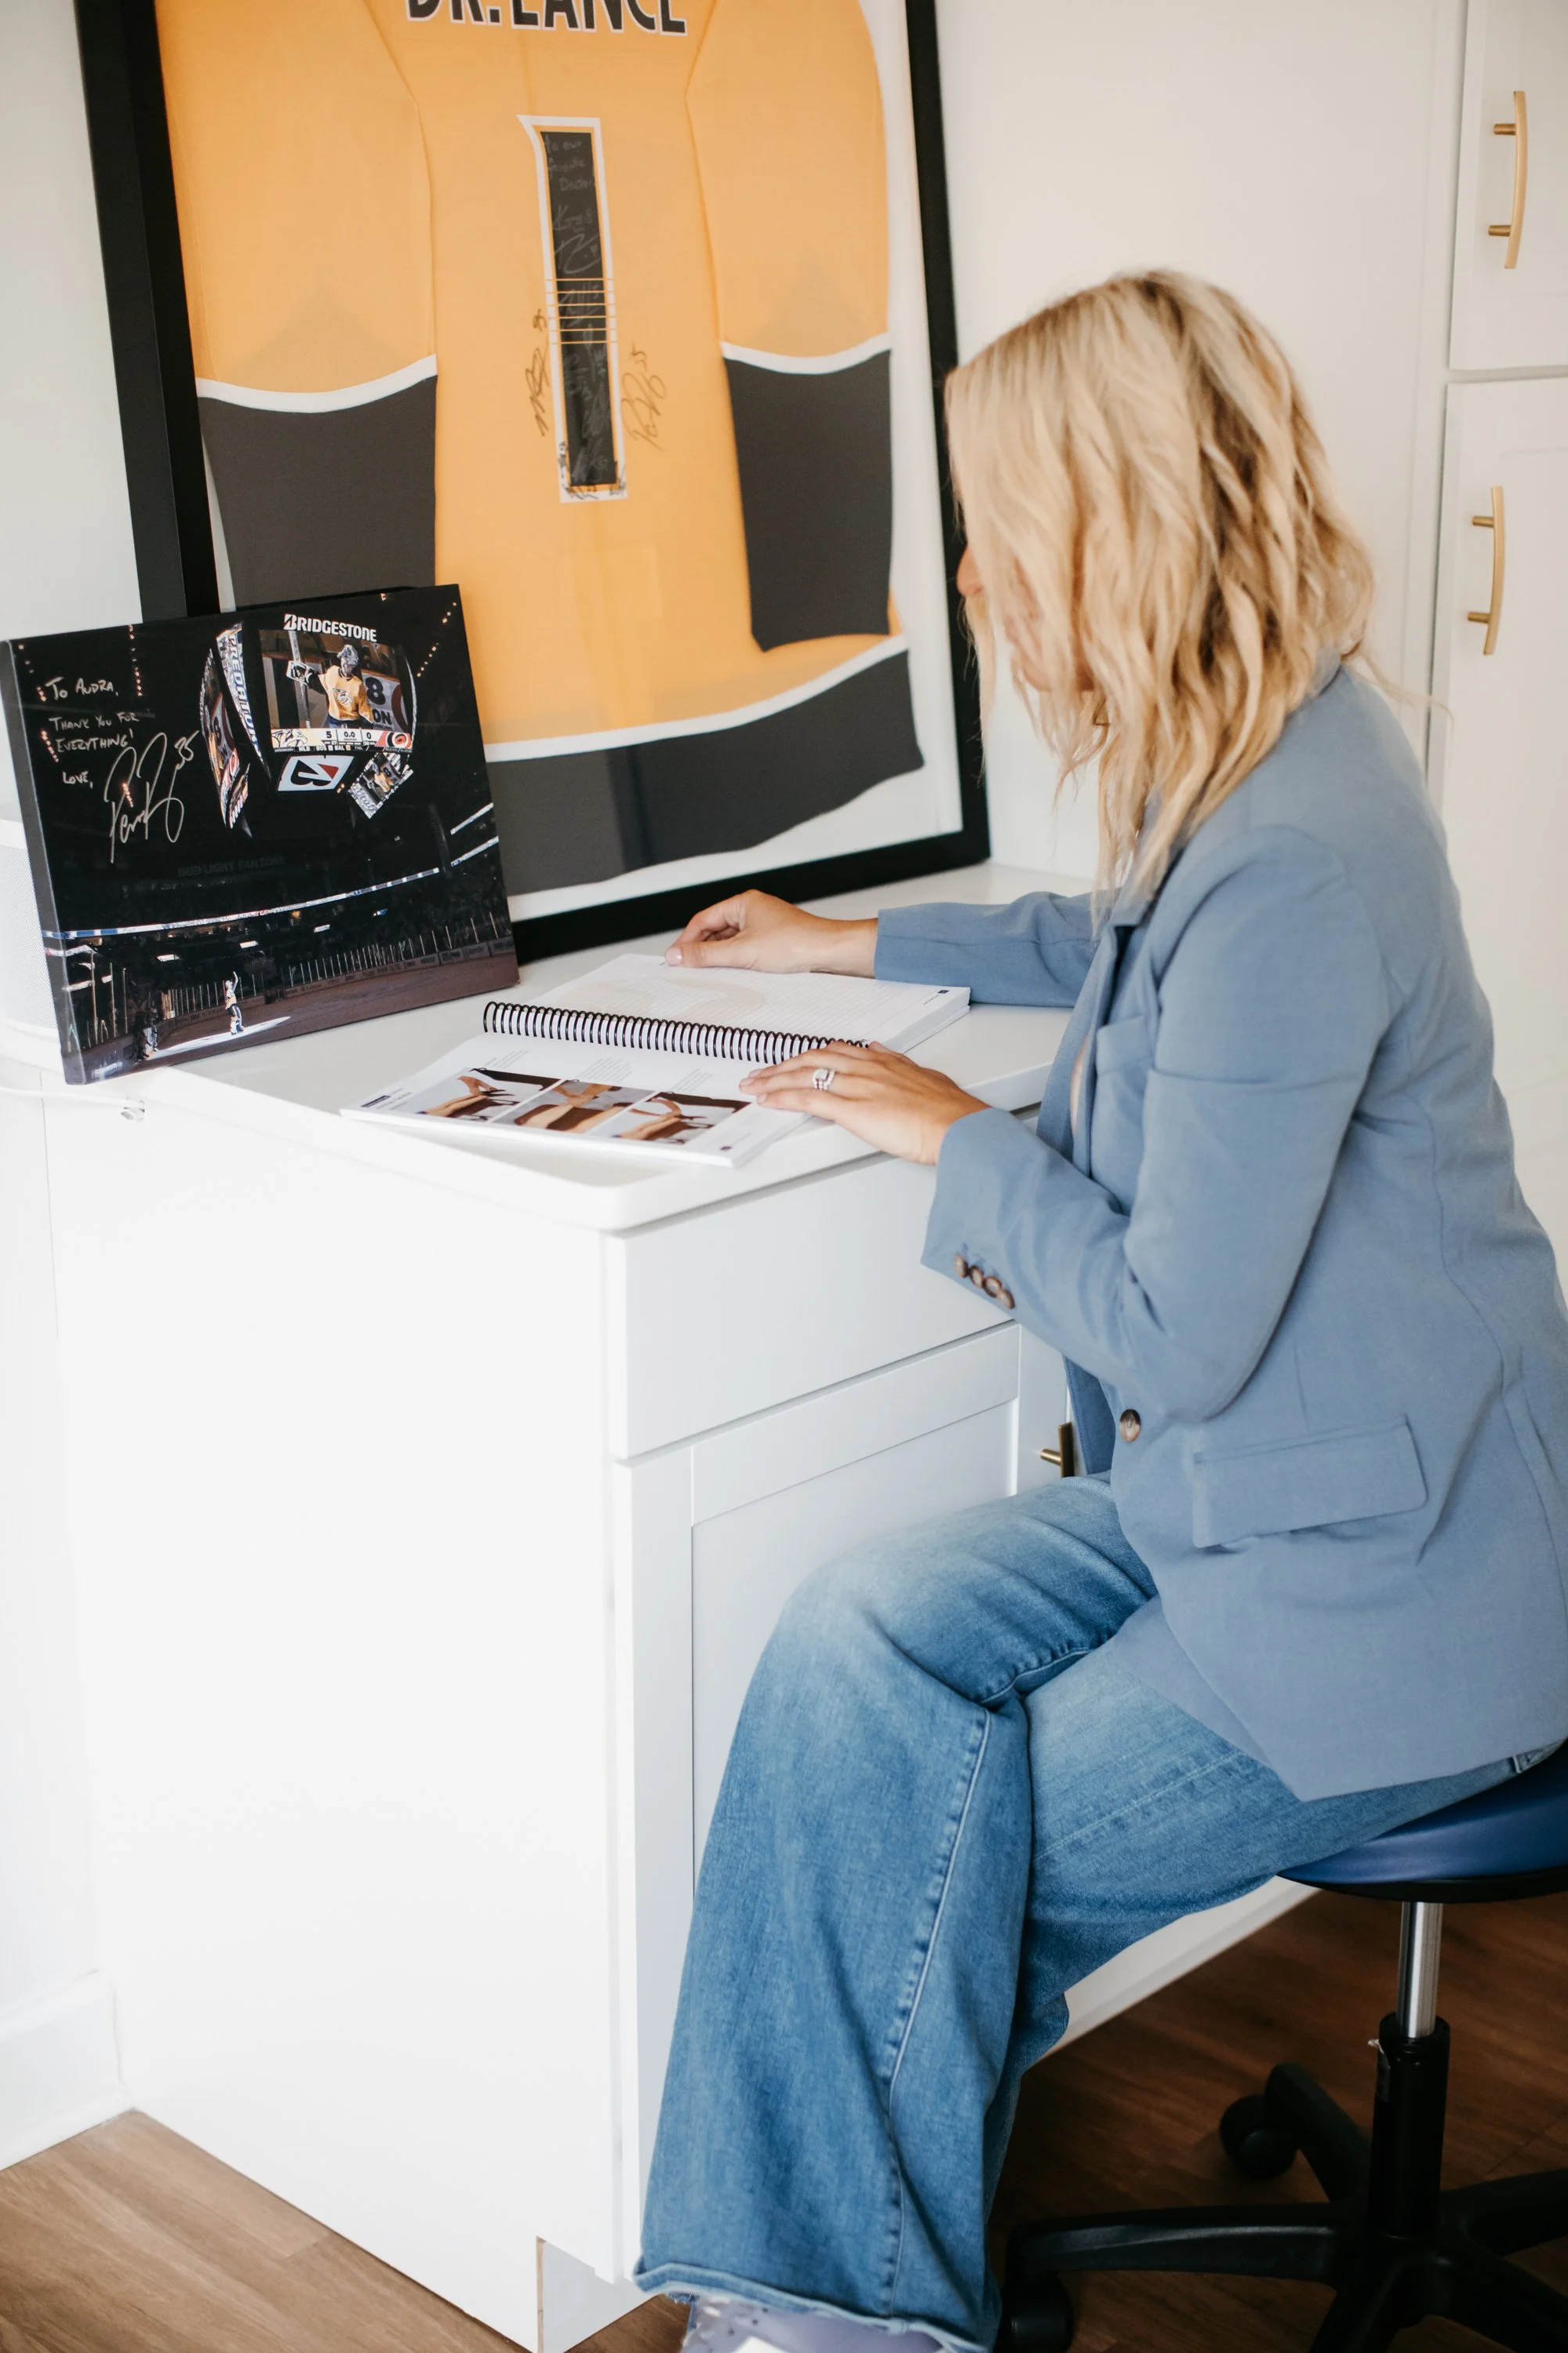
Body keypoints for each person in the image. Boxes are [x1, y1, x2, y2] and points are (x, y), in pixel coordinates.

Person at [631, 274, 1568, 2353]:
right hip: (1290, 1494)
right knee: (847, 1640)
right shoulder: (1258, 759)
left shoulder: (1301, 847)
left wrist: (941, 1135)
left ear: (1105, 522)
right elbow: (1104, 933)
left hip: (1390, 1588)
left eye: (992, 527)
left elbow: (1171, 1328)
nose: (970, 579)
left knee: (915, 1844)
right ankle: (823, 2299)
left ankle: (829, 2333)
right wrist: (844, 937)